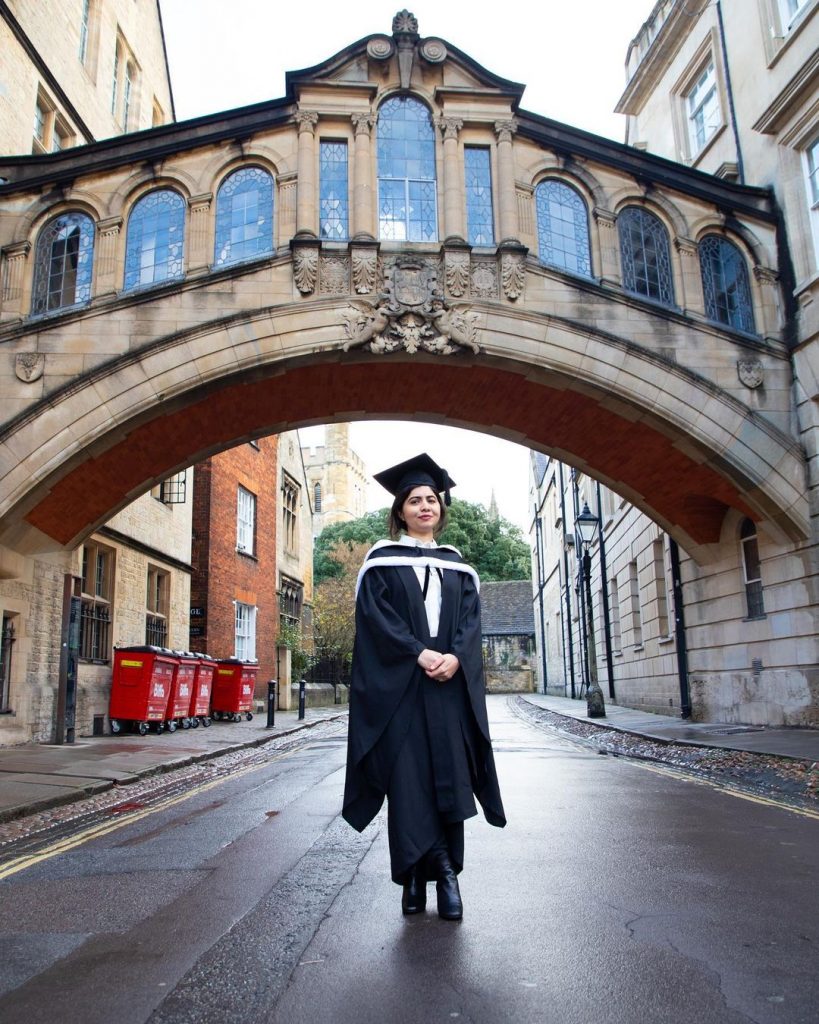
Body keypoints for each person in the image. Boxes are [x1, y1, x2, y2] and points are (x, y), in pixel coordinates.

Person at [342, 453, 506, 920]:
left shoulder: (458, 567)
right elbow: (377, 621)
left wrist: (455, 656)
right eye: (414, 500)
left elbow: (471, 623)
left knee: (450, 779)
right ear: (400, 511)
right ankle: (421, 877)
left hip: (448, 690)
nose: (424, 506)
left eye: (431, 499)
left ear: (440, 509)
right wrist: (419, 652)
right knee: (409, 782)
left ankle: (441, 876)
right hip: (403, 690)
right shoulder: (380, 562)